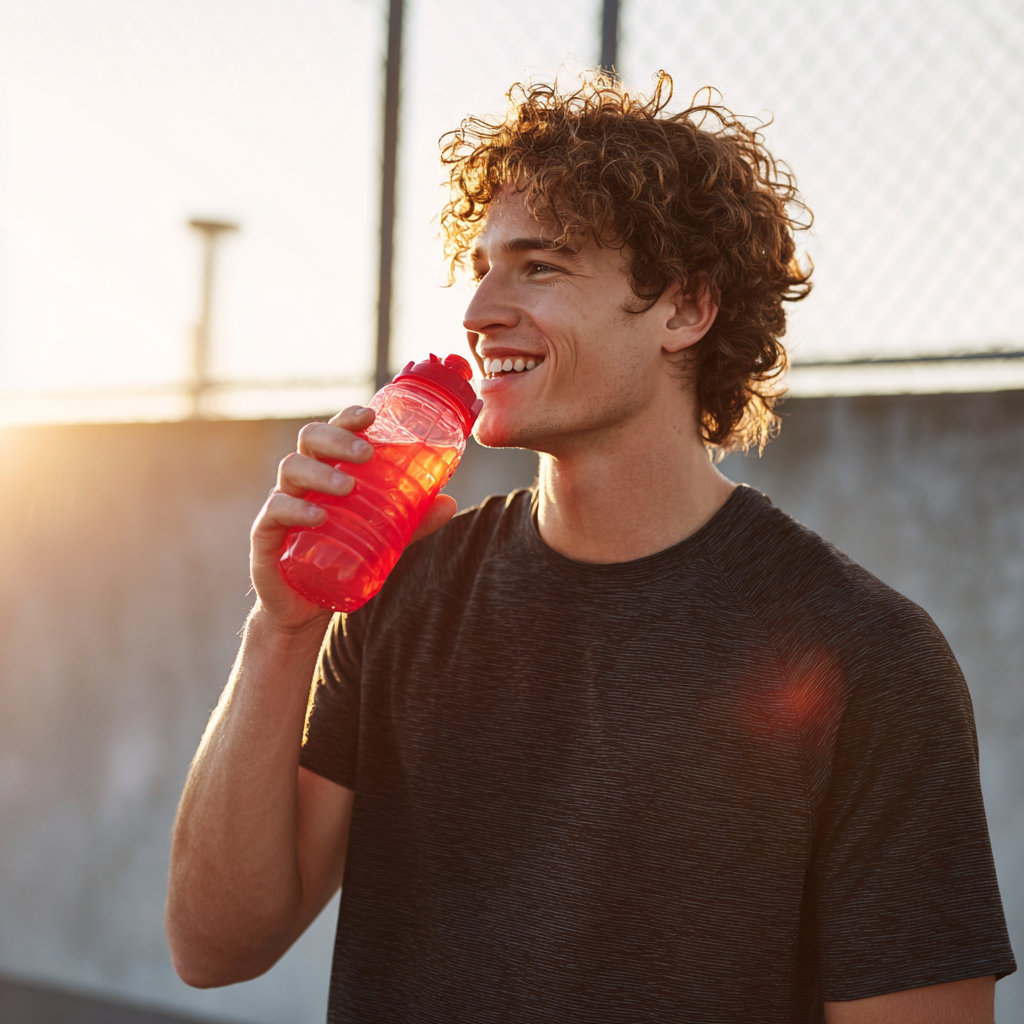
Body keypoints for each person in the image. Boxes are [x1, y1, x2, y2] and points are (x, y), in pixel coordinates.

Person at [165, 72, 1015, 1023]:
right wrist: (282, 629)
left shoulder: (868, 655)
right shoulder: (406, 595)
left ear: (686, 309)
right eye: (483, 265)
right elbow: (213, 946)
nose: (481, 309)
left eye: (541, 266)